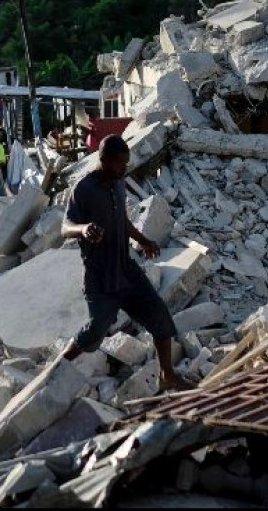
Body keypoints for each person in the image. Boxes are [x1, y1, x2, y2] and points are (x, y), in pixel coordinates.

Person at [60, 135, 192, 391]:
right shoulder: (84, 189)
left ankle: (167, 375)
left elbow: (121, 219)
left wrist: (144, 240)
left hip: (126, 270)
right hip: (100, 276)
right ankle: (57, 368)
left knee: (160, 318)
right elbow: (65, 226)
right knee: (94, 332)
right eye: (119, 163)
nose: (124, 168)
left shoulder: (118, 184)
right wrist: (84, 228)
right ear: (103, 160)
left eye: (126, 162)